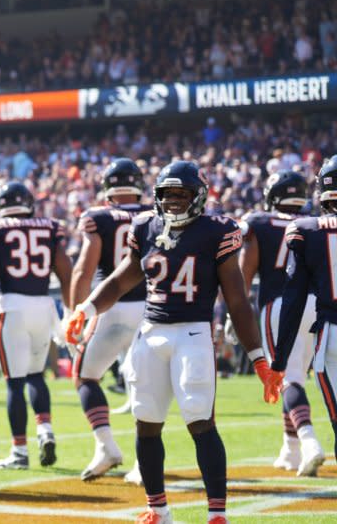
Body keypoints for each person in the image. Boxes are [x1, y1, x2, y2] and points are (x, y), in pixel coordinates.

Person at [65, 160, 276, 524]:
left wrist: (257, 357)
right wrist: (85, 308)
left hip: (193, 334)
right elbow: (119, 281)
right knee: (145, 422)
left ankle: (217, 514)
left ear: (198, 196)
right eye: (168, 195)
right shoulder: (145, 225)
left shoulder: (217, 230)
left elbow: (237, 299)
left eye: (182, 195)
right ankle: (158, 510)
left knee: (200, 422)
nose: (175, 202)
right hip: (150, 332)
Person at [0, 182, 72, 470]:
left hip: (11, 307)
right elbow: (66, 272)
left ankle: (20, 452)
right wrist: (71, 311)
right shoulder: (50, 226)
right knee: (36, 376)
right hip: (43, 306)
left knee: (14, 382)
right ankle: (45, 430)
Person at [67, 159, 151, 480]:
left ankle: (106, 445)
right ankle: (145, 462)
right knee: (145, 382)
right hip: (149, 308)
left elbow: (83, 270)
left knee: (85, 376)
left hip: (109, 306)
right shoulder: (154, 215)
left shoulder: (98, 217)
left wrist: (76, 312)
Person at [239, 170, 324, 476]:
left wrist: (234, 314)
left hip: (279, 304)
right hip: (317, 305)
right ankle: (291, 449)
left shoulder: (259, 222)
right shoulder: (313, 223)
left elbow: (243, 274)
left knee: (286, 377)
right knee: (297, 377)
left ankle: (309, 440)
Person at [268, 156, 337, 475]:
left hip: (331, 333)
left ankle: (303, 445)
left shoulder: (306, 230)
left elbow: (294, 296)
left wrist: (279, 359)